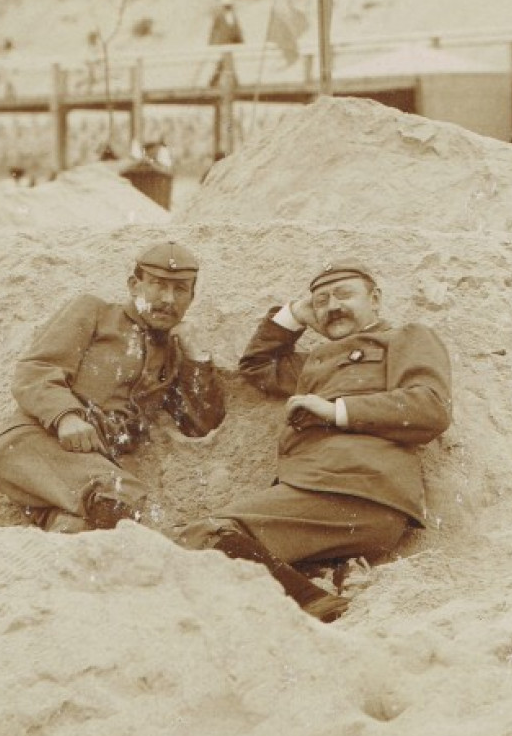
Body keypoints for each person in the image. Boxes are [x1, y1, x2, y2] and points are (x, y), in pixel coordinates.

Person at [177, 261, 452, 622]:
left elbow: (430, 407)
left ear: (375, 299)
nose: (332, 306)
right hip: (321, 494)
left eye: (344, 295)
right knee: (220, 542)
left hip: (359, 488)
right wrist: (294, 315)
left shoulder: (405, 338)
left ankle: (313, 602)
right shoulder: (317, 362)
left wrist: (335, 410)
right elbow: (257, 368)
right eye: (321, 300)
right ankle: (326, 576)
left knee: (204, 534)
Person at [0, 242, 225, 533]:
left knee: (84, 528)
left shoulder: (174, 352)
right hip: (40, 443)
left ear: (192, 297)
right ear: (134, 285)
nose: (168, 299)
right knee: (121, 498)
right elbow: (35, 370)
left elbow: (201, 423)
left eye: (180, 290)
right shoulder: (94, 312)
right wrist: (67, 416)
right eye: (157, 285)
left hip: (98, 466)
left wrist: (197, 356)